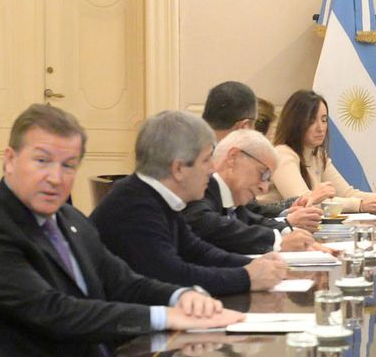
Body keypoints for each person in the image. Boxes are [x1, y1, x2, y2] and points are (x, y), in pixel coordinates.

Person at [0, 105, 242, 357]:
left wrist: (182, 297)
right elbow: (54, 311)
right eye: (42, 161)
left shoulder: (69, 218)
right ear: (10, 160)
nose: (55, 178)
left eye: (68, 165)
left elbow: (123, 281)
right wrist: (166, 316)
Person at [91, 111, 288, 296]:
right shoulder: (134, 206)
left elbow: (197, 251)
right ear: (178, 168)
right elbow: (173, 275)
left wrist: (255, 264)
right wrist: (246, 277)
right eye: (206, 160)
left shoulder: (156, 197)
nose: (212, 169)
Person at [181, 130, 323, 255]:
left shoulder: (234, 203)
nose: (265, 188)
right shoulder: (199, 191)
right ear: (233, 157)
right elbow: (212, 225)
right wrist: (278, 241)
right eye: (263, 173)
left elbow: (254, 220)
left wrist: (292, 234)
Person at [259, 90, 376, 214]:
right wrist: (359, 205)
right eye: (312, 121)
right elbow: (304, 201)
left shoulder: (317, 154)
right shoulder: (282, 154)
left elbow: (347, 193)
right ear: (295, 123)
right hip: (272, 227)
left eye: (324, 120)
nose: (320, 128)